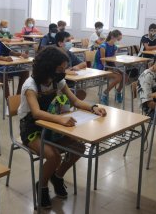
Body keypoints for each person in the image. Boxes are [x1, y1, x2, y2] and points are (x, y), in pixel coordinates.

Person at [18, 46, 106, 209]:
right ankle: (42, 185)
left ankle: (57, 176)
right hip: (31, 129)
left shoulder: (57, 81)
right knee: (54, 156)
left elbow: (75, 101)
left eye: (64, 68)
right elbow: (36, 113)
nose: (63, 72)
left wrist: (93, 108)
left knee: (79, 148)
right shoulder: (30, 85)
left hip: (52, 126)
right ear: (48, 68)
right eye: (60, 69)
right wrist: (59, 119)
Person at [93, 30, 124, 105]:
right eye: (117, 39)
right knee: (118, 77)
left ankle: (118, 91)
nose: (118, 41)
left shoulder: (114, 47)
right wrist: (111, 69)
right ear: (112, 37)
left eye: (119, 40)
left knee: (125, 75)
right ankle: (105, 93)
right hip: (100, 68)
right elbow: (103, 61)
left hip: (108, 66)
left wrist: (114, 68)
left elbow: (112, 60)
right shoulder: (103, 47)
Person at [55, 31, 87, 100]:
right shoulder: (54, 54)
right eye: (67, 41)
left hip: (70, 82)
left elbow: (84, 63)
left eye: (70, 40)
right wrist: (66, 71)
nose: (70, 43)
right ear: (60, 43)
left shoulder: (68, 53)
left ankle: (68, 107)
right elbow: (52, 70)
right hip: (58, 84)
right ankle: (63, 106)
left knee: (82, 93)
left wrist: (77, 66)